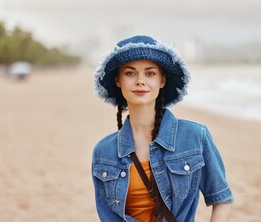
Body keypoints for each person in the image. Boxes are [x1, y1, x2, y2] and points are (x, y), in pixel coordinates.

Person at [92, 35, 234, 222]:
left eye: (150, 73)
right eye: (130, 73)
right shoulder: (104, 151)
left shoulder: (195, 136)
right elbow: (108, 216)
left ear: (162, 80)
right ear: (118, 80)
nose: (140, 81)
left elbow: (221, 199)